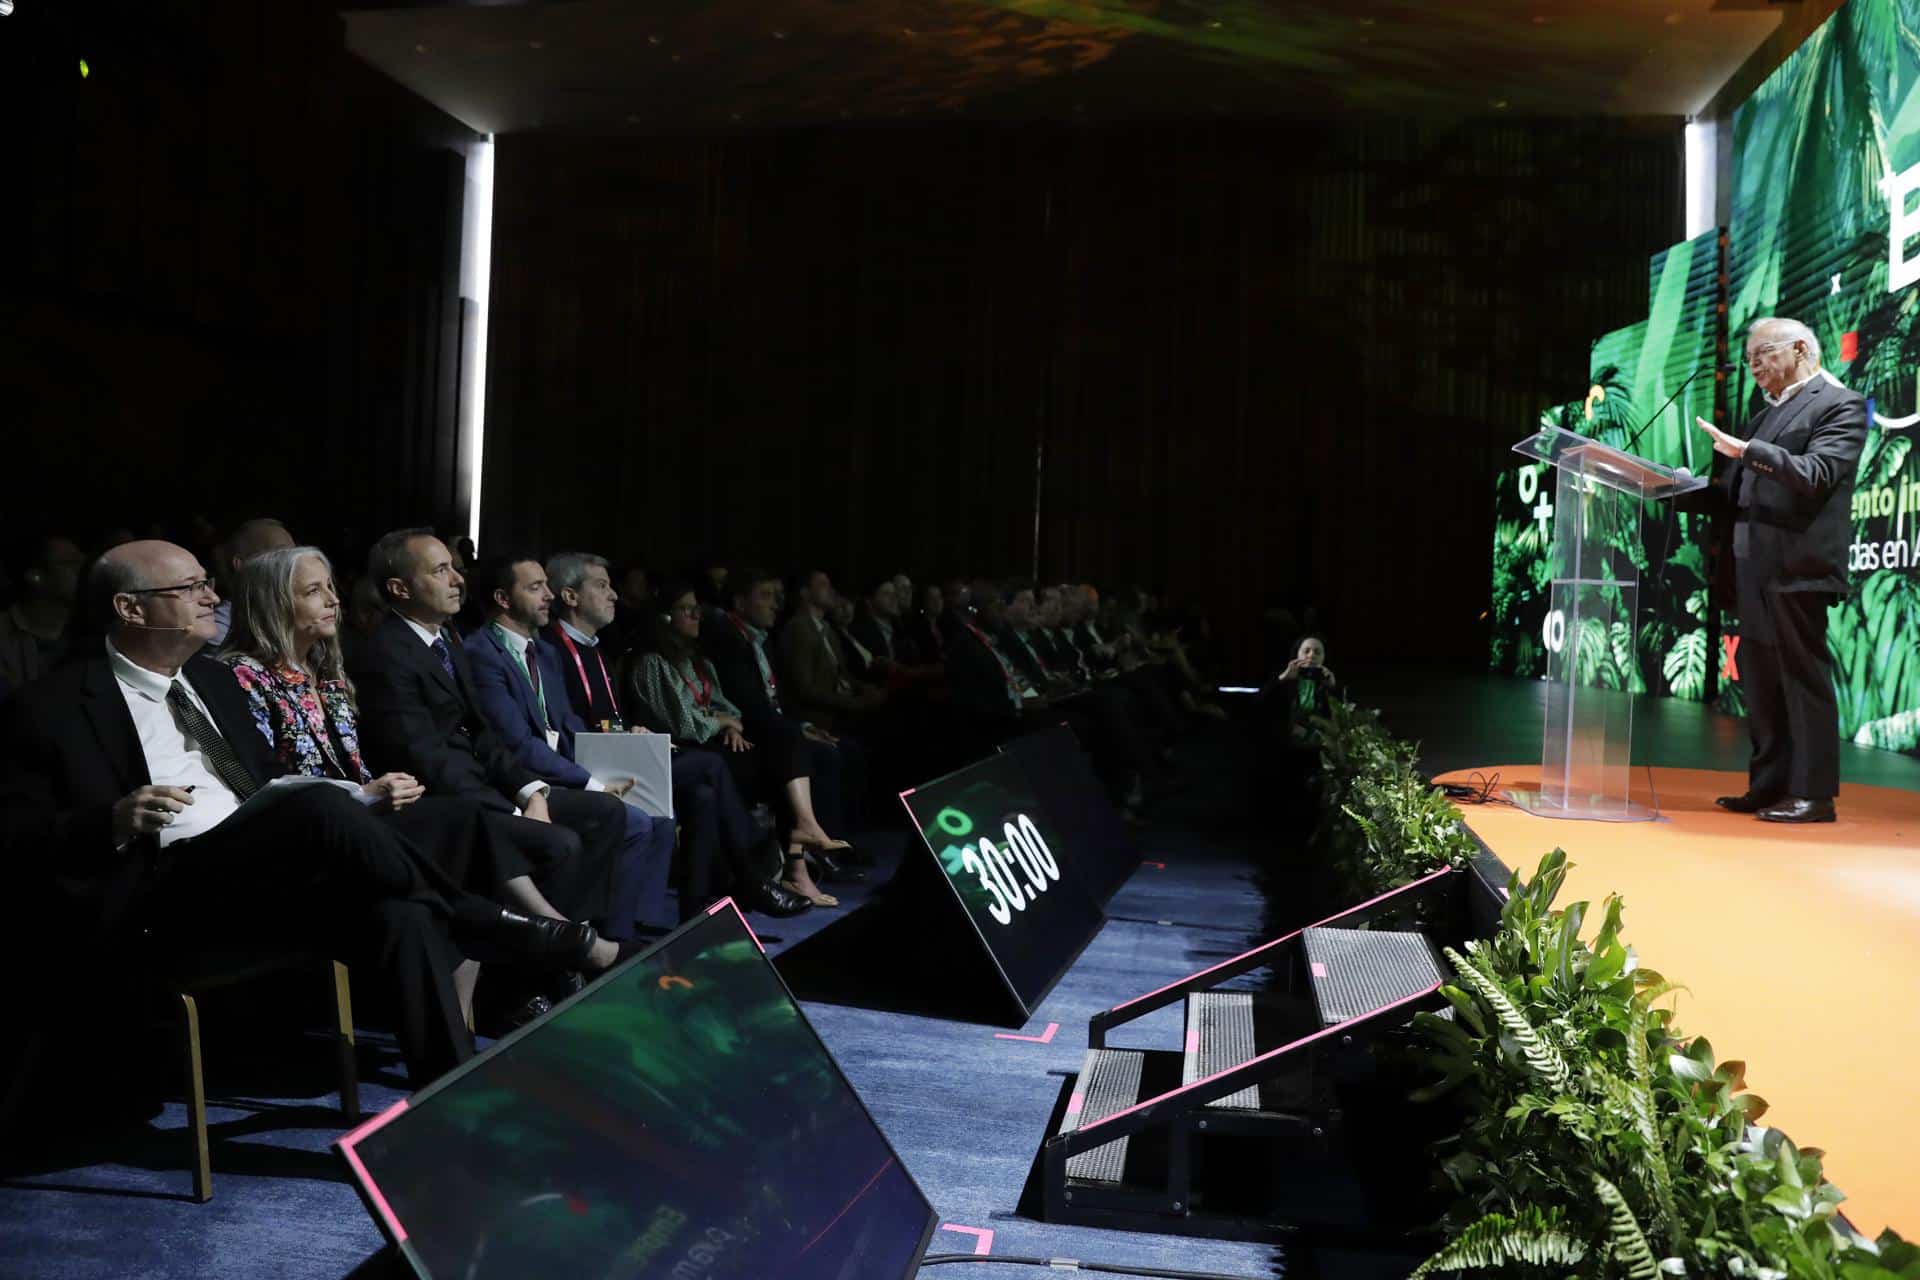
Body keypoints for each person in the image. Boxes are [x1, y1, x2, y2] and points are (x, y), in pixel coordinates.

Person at [0, 541, 593, 1088]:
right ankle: (483, 919)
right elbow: (16, 838)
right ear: (129, 608)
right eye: (190, 587)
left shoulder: (213, 679)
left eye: (210, 582)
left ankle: (451, 1095)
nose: (212, 595)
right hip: (163, 896)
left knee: (410, 897)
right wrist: (110, 819)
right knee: (316, 806)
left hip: (267, 876)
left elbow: (272, 784)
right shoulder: (49, 707)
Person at [347, 529, 635, 955]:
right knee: (562, 842)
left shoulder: (446, 641)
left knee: (606, 812)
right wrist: (513, 808)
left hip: (487, 789)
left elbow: (484, 735)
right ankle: (546, 966)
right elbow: (425, 758)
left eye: (453, 568)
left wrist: (531, 791)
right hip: (448, 802)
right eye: (440, 570)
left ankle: (563, 950)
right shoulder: (386, 654)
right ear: (399, 588)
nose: (457, 580)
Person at [544, 552, 807, 918]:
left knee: (702, 796)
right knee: (712, 765)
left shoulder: (597, 648)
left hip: (619, 749)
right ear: (570, 597)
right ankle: (753, 879)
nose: (615, 595)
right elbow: (568, 724)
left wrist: (631, 732)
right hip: (589, 762)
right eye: (602, 586)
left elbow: (607, 717)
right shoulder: (551, 649)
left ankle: (696, 912)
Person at [1694, 317, 1869, 823]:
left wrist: (1748, 451)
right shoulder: (1764, 414)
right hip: (1753, 569)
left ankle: (1814, 795)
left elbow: (1816, 474)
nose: (1752, 367)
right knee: (1762, 682)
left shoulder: (1841, 405)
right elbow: (1737, 491)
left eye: (1760, 355)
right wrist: (1669, 488)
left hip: (1798, 568)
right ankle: (1769, 786)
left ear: (1798, 349)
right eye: (1748, 359)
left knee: (1801, 679)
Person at [461, 554, 681, 932]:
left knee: (660, 816)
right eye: (535, 588)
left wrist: (619, 750)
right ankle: (599, 938)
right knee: (634, 821)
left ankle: (634, 928)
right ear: (503, 598)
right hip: (522, 781)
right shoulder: (482, 654)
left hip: (560, 768)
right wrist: (591, 782)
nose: (549, 595)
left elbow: (567, 725)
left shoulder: (543, 652)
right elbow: (516, 743)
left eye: (547, 585)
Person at [629, 585, 852, 907]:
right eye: (685, 609)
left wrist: (728, 722)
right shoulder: (652, 663)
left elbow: (727, 709)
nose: (696, 615)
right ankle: (783, 867)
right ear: (664, 618)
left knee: (786, 749)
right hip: (682, 752)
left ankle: (798, 852)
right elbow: (685, 723)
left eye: (697, 609)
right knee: (776, 761)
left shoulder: (697, 661)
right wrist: (723, 723)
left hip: (713, 747)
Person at [707, 568, 870, 853]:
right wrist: (797, 731)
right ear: (740, 603)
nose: (775, 604)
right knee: (823, 754)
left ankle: (845, 842)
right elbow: (750, 705)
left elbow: (779, 698)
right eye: (765, 596)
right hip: (753, 732)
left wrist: (804, 725)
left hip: (778, 725)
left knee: (847, 748)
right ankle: (822, 849)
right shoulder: (728, 640)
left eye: (777, 596)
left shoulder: (763, 639)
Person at [774, 569, 886, 733]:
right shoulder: (799, 627)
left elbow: (841, 674)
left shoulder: (827, 628)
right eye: (823, 584)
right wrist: (857, 702)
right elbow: (805, 689)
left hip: (837, 714)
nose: (831, 590)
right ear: (805, 593)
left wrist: (863, 688)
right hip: (818, 720)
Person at [0, 534, 86, 690]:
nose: (82, 569)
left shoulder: (90, 633)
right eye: (70, 563)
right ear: (35, 576)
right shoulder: (4, 637)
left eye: (82, 561)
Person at [208, 517, 295, 645]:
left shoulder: (302, 618)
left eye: (295, 554)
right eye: (281, 554)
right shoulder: (218, 631)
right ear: (242, 564)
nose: (295, 564)